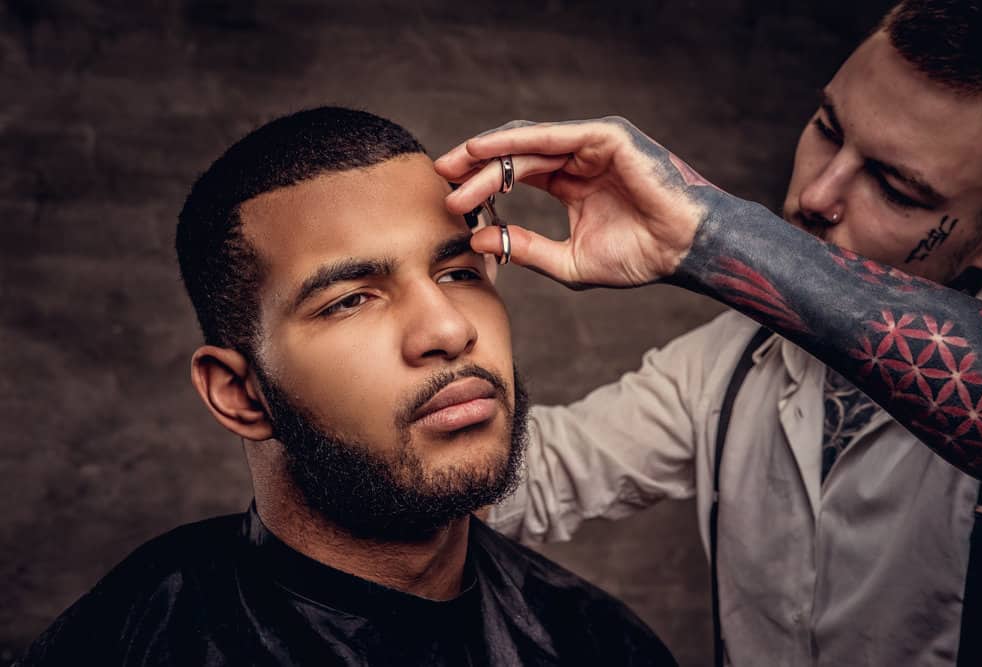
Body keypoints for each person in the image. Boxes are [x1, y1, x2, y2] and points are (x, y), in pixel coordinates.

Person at [436, 1, 982, 665]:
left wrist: (712, 237)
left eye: (896, 188)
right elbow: (534, 477)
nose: (819, 192)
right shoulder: (735, 359)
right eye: (826, 128)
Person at [16, 107, 678, 666]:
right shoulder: (136, 637)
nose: (447, 329)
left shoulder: (597, 641)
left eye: (457, 274)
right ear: (240, 393)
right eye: (352, 299)